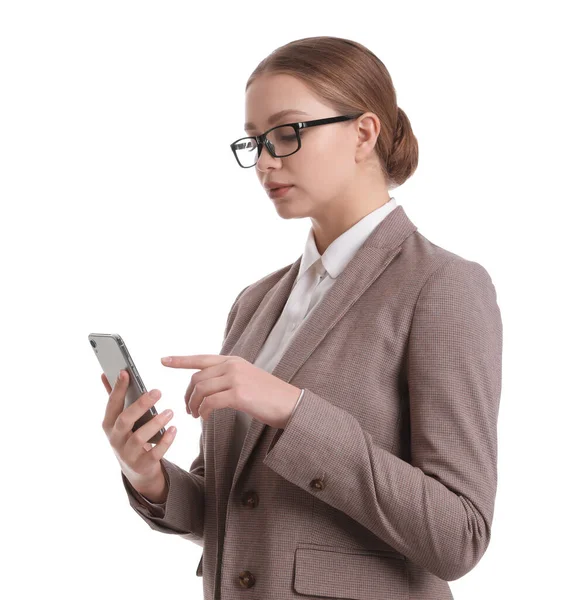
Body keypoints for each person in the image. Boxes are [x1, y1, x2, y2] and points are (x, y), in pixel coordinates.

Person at [101, 35, 503, 600]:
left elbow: (459, 536)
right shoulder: (255, 301)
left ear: (364, 132)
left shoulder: (443, 286)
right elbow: (236, 508)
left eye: (287, 134)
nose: (264, 161)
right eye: (254, 141)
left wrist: (294, 410)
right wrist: (149, 476)